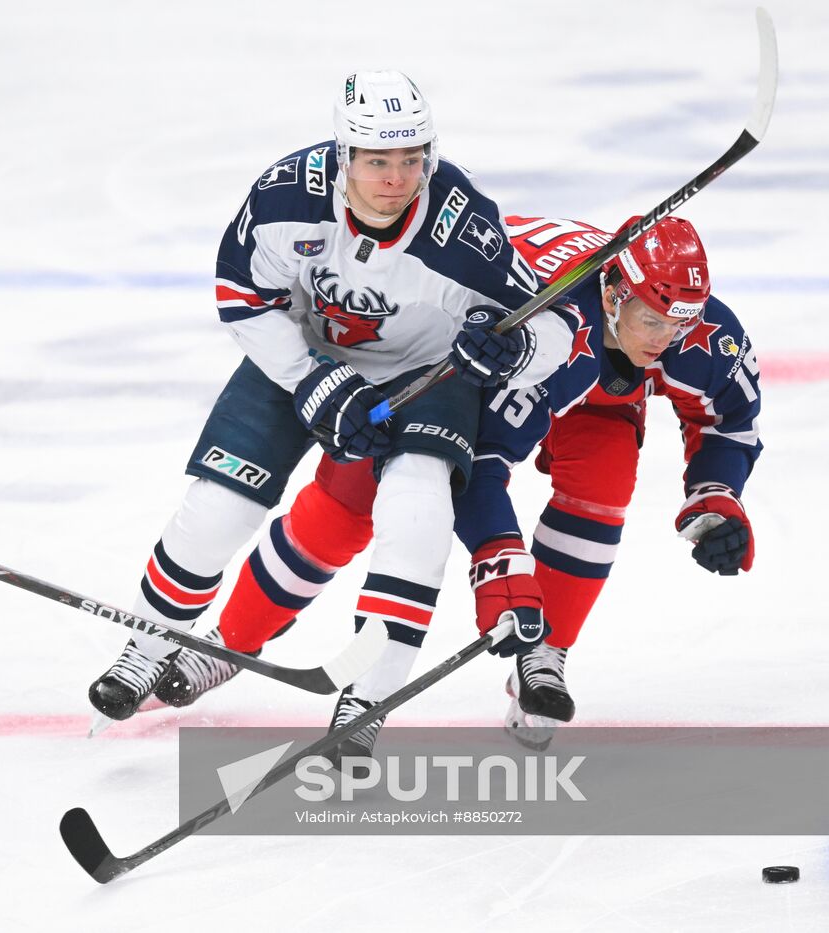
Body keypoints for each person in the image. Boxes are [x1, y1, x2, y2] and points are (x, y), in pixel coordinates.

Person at [85, 69, 576, 742]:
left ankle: (368, 697)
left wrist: (513, 349)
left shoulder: (462, 228)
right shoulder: (286, 196)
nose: (396, 177)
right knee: (217, 509)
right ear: (344, 154)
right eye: (378, 160)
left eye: (410, 159)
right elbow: (240, 297)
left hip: (426, 375)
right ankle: (147, 647)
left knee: (417, 512)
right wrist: (306, 374)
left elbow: (555, 326)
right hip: (303, 353)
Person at [156, 212, 760, 753]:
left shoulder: (703, 337)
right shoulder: (550, 328)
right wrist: (499, 560)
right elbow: (480, 470)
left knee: (604, 481)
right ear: (612, 292)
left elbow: (730, 420)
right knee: (350, 500)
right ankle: (231, 639)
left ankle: (542, 657)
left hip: (586, 388)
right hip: (475, 353)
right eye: (653, 321)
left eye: (680, 325)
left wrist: (716, 494)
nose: (666, 342)